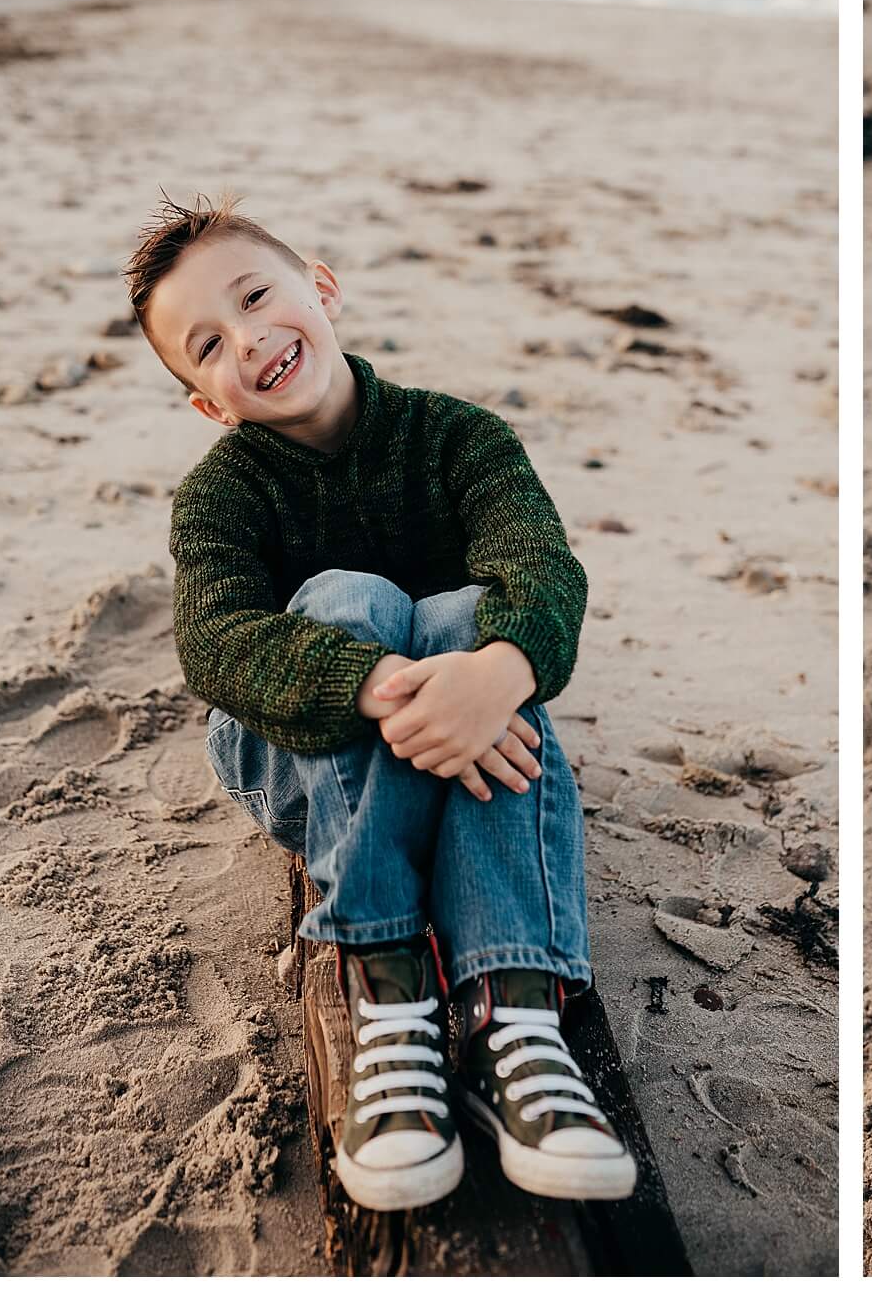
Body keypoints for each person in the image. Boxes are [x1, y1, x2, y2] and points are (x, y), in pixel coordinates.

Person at [125, 192, 636, 1211]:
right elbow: (215, 642)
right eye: (210, 344)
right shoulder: (221, 494)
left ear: (320, 285)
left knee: (465, 615)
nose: (251, 338)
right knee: (352, 599)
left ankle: (514, 1015)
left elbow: (543, 570)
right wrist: (366, 680)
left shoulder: (458, 437)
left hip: (468, 723)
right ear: (208, 401)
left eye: (257, 295)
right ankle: (385, 988)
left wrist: (493, 673)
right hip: (287, 749)